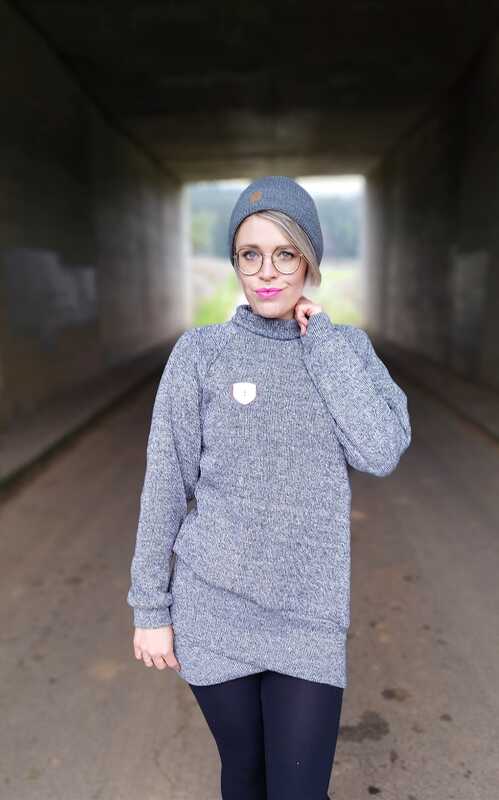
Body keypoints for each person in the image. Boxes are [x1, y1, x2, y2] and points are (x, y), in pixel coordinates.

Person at [126, 175, 412, 799]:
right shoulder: (200, 354)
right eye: (249, 254)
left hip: (308, 615)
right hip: (213, 609)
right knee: (246, 775)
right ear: (234, 261)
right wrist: (150, 608)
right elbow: (165, 486)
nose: (267, 273)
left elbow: (381, 451)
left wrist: (324, 343)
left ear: (309, 260)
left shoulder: (345, 350)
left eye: (285, 253)